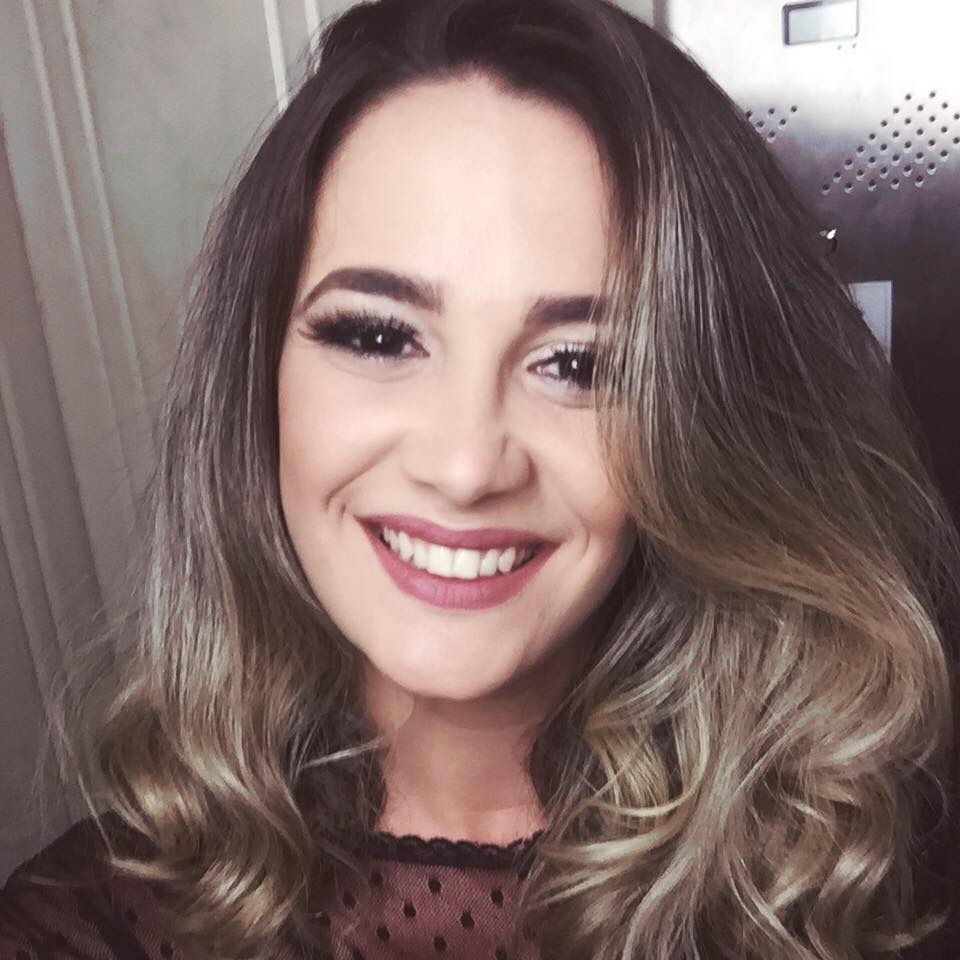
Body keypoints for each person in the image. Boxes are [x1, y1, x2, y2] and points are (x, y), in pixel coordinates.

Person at [2, 0, 958, 958]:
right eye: (379, 336)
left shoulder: (857, 877)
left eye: (579, 364)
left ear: (706, 425)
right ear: (259, 378)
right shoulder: (85, 928)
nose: (464, 468)